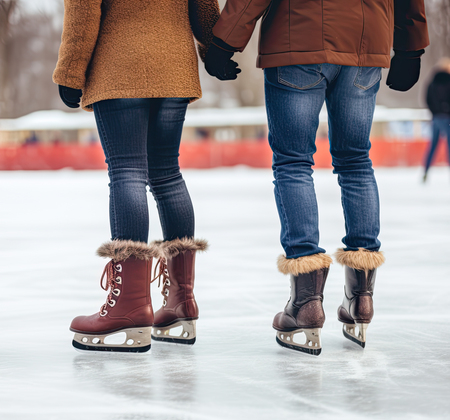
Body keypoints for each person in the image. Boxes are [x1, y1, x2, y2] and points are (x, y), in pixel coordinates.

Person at [205, 0, 429, 354]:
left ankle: (306, 302)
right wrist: (411, 45)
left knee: (293, 163)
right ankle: (361, 297)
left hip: (298, 36)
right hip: (364, 40)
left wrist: (224, 41)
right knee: (355, 161)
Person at [53, 0, 220, 352]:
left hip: (119, 66)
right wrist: (215, 47)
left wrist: (70, 71)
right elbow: (204, 5)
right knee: (167, 174)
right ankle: (181, 301)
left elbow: (83, 9)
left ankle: (129, 304)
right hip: (174, 65)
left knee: (127, 172)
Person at [423, 58, 450, 182]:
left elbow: (427, 98)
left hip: (436, 118)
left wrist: (434, 112)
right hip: (447, 117)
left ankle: (426, 170)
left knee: (433, 145)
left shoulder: (432, 82)